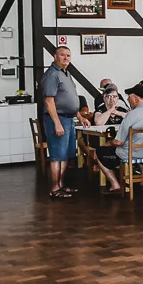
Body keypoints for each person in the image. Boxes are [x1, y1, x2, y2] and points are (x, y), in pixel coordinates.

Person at [95, 84, 143, 195]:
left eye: (129, 96)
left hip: (132, 154)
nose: (127, 99)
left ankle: (115, 185)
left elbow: (118, 142)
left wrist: (109, 143)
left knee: (100, 151)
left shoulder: (131, 114)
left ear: (136, 98)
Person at [40, 46, 87, 200]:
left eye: (68, 55)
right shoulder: (52, 74)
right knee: (57, 155)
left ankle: (61, 184)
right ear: (55, 56)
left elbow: (71, 99)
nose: (66, 58)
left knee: (66, 155)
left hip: (69, 118)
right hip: (58, 119)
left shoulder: (66, 74)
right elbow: (49, 101)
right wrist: (57, 123)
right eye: (62, 55)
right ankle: (54, 188)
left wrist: (79, 116)